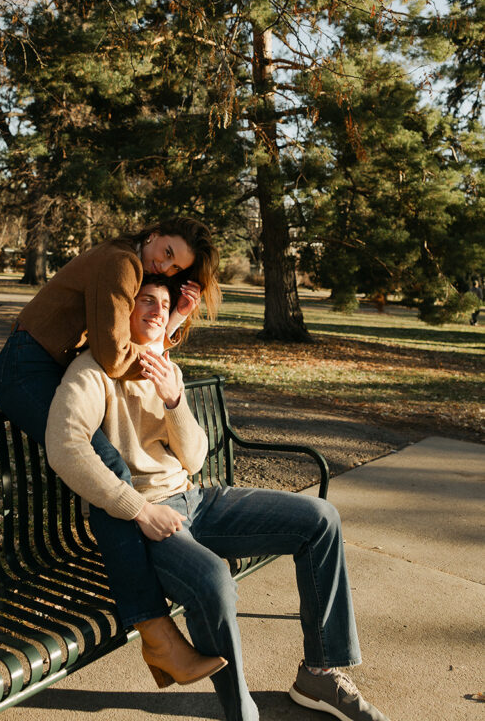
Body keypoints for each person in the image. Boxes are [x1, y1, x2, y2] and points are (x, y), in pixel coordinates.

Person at [45, 276, 392, 721]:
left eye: (164, 304)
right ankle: (238, 710)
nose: (155, 310)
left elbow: (192, 458)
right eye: (145, 300)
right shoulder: (92, 371)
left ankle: (320, 673)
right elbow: (64, 446)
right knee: (213, 580)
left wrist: (175, 401)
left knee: (320, 518)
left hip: (197, 500)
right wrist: (138, 508)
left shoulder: (165, 367)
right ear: (122, 311)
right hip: (148, 519)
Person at [0, 217, 226, 686]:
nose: (163, 263)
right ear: (154, 234)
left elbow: (132, 345)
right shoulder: (122, 263)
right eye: (165, 251)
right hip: (27, 369)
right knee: (107, 467)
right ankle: (156, 635)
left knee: (109, 468)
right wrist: (140, 510)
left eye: (174, 265)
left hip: (42, 364)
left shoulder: (129, 261)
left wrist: (173, 318)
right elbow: (114, 356)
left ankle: (158, 636)